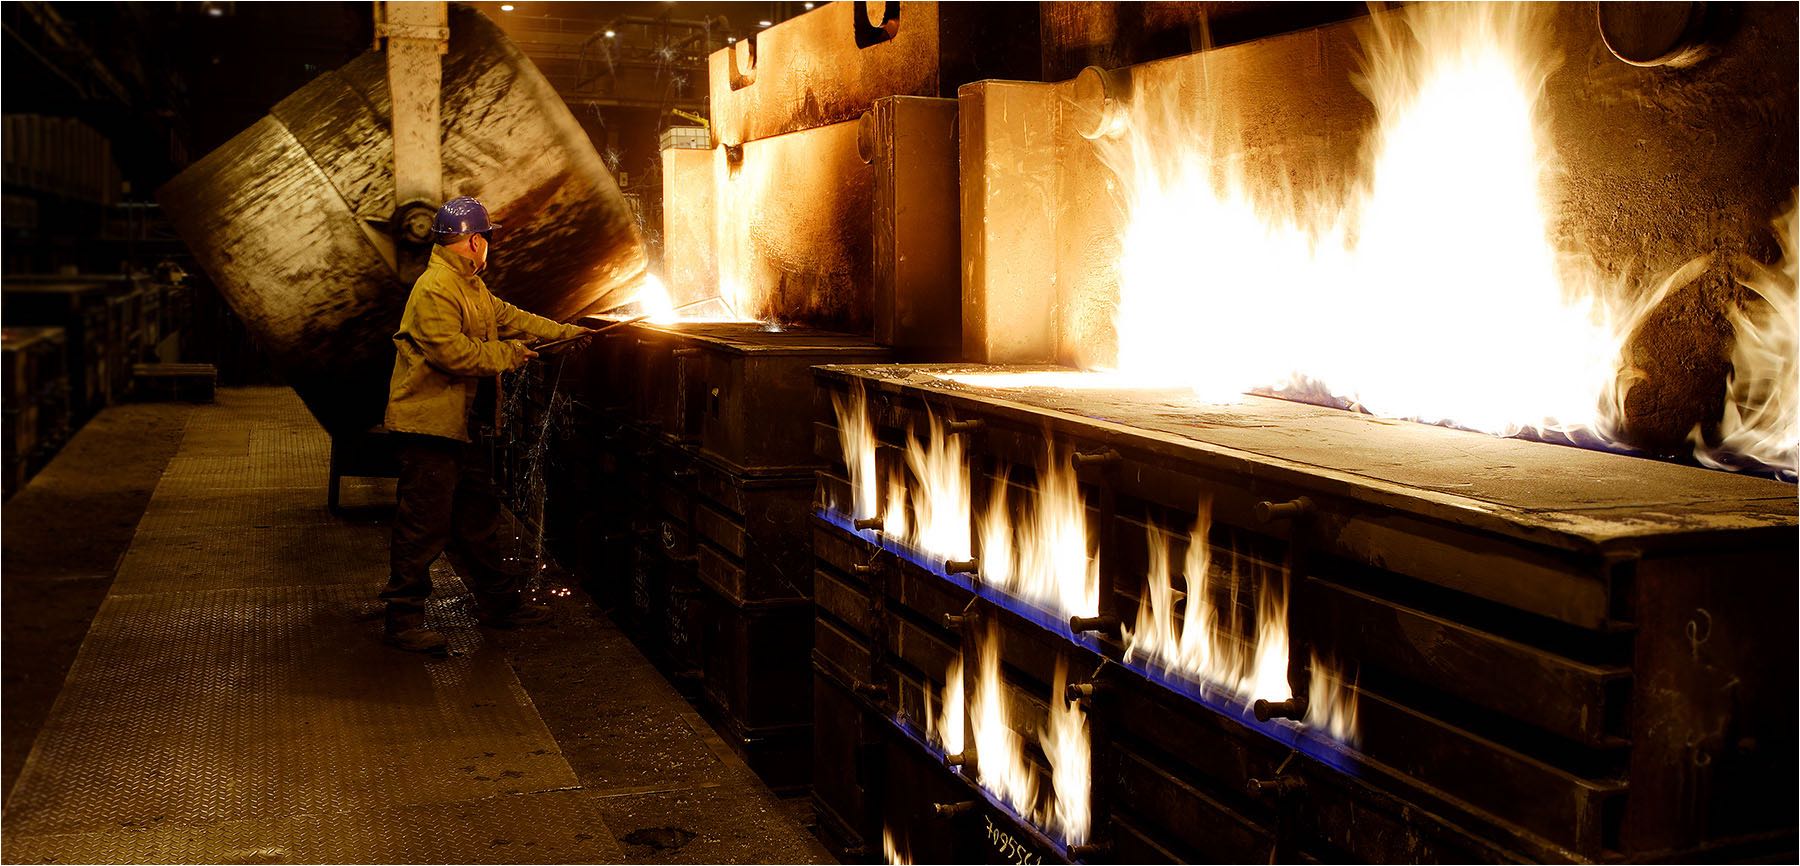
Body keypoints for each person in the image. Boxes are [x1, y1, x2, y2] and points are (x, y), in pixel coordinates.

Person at [380, 195, 595, 653]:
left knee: (478, 517)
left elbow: (510, 318)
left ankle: (498, 604)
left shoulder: (470, 286)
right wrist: (511, 355)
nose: (488, 248)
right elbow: (451, 354)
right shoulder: (436, 288)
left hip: (463, 426)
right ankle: (403, 618)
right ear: (475, 240)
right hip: (430, 428)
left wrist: (567, 333)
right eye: (487, 240)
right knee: (424, 524)